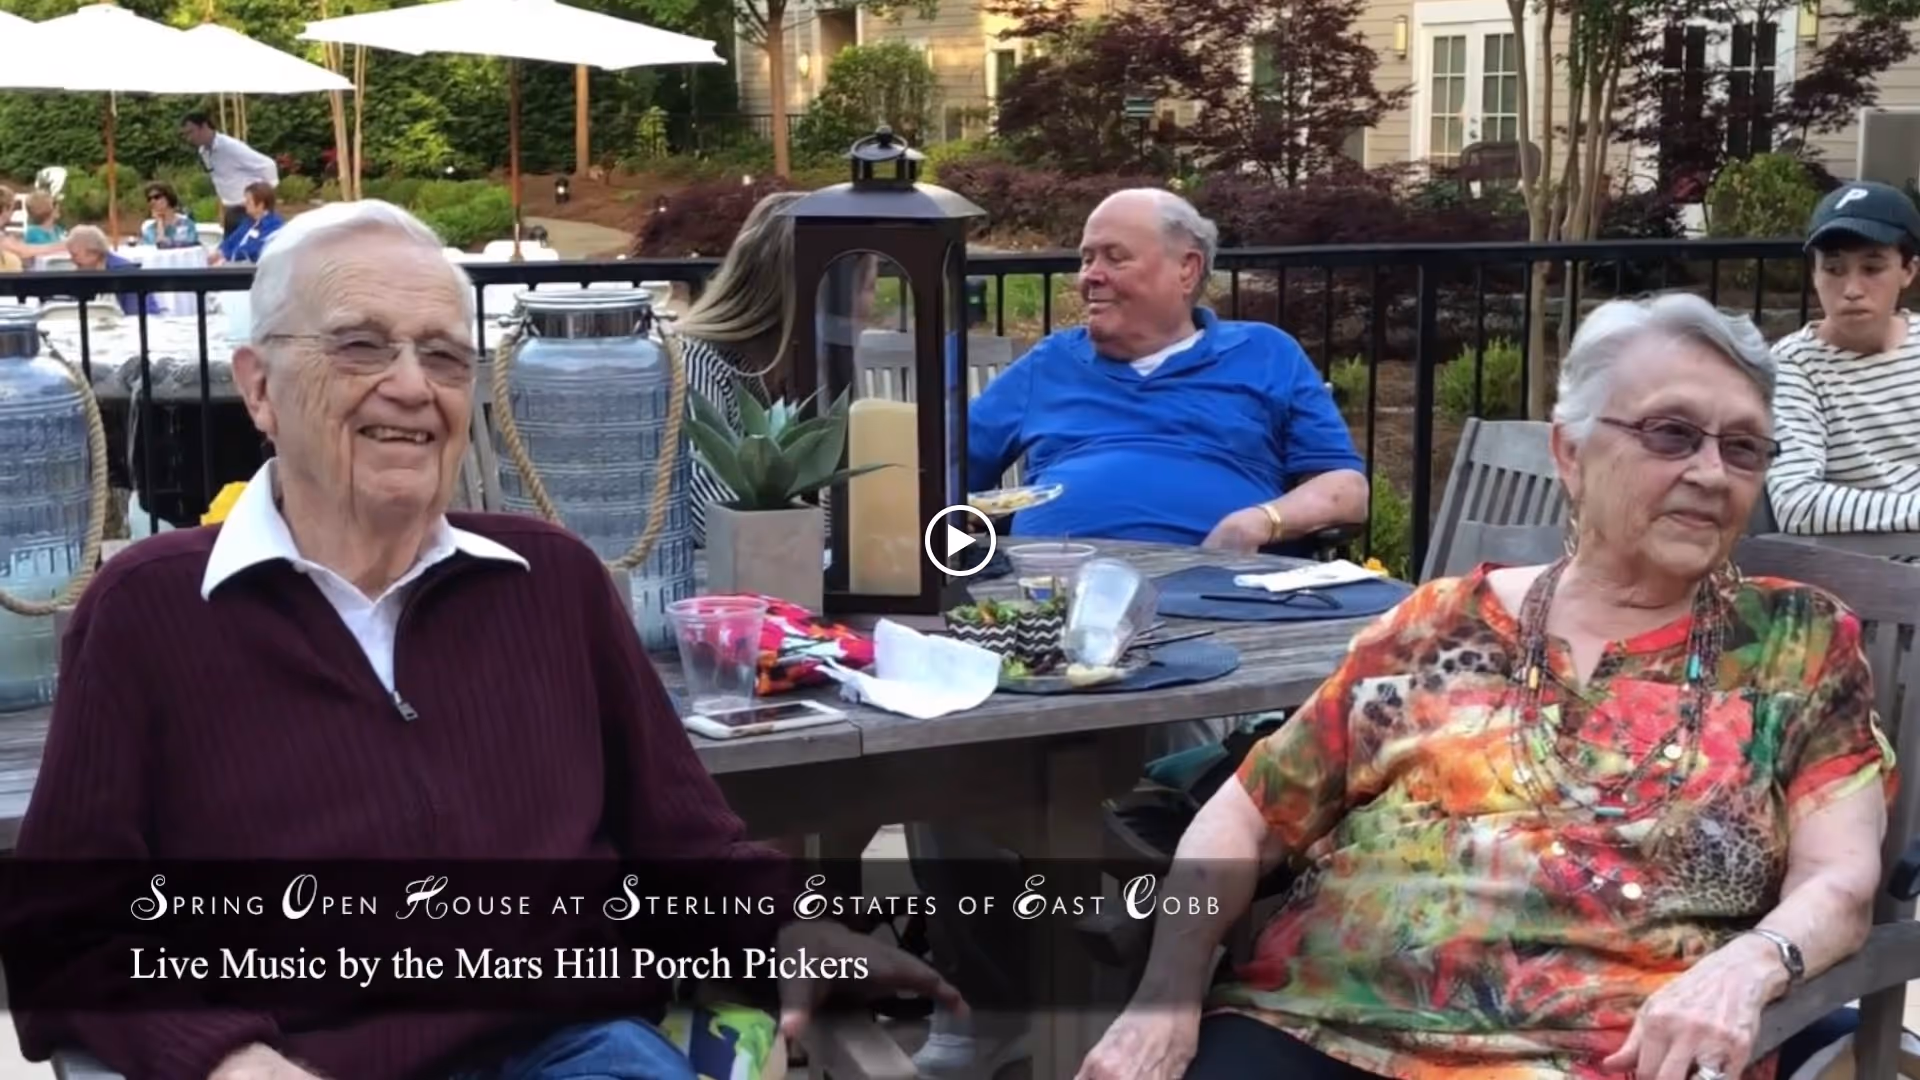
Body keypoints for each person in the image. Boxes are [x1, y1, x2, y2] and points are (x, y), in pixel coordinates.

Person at [7, 200, 961, 1080]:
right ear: (259, 388)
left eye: (445, 357)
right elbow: (66, 930)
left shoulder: (552, 584)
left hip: (573, 1051)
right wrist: (225, 1058)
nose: (411, 387)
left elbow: (684, 850)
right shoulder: (150, 610)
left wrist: (785, 930)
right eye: (360, 346)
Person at [1077, 293, 1893, 1080]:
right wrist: (1163, 1000)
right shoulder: (1434, 624)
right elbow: (1245, 818)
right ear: (1570, 454)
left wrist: (1753, 965)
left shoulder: (1798, 643)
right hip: (1315, 1024)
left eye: (1743, 447)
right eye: (1671, 433)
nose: (1711, 472)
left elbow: (1841, 880)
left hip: (1596, 1053)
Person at [967, 188, 1368, 553]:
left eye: (1115, 257)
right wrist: (958, 551)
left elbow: (1346, 490)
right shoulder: (1051, 361)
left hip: (1221, 587)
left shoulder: (1265, 352)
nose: (1090, 276)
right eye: (1087, 259)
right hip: (1052, 587)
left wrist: (1261, 521)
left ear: (1186, 269)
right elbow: (942, 473)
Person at [676, 190, 874, 545]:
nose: (870, 306)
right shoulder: (696, 364)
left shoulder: (793, 373)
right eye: (868, 286)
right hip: (706, 578)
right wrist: (866, 519)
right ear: (819, 293)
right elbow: (715, 518)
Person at [1767, 180, 1920, 535]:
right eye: (1834, 270)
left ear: (1908, 270)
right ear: (1814, 274)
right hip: (1865, 563)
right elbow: (1796, 503)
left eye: (1872, 269)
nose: (1851, 290)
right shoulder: (1794, 366)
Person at [182, 109, 279, 236]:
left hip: (248, 211)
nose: (189, 138)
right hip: (231, 211)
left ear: (204, 126)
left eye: (191, 132)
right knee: (228, 247)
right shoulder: (203, 152)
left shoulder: (230, 147)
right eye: (186, 134)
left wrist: (263, 200)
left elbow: (268, 166)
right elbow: (219, 181)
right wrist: (222, 211)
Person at [61, 225, 161, 317]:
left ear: (93, 253)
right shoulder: (87, 274)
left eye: (74, 255)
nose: (72, 260)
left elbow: (138, 316)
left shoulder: (125, 275)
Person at [208, 180, 283, 265]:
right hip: (235, 265)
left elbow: (253, 251)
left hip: (251, 269)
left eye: (248, 201)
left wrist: (226, 258)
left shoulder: (273, 225)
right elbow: (231, 240)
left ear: (260, 205)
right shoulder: (249, 221)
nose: (244, 204)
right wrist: (219, 252)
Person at [139, 181, 199, 249]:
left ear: (168, 198)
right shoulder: (150, 230)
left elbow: (190, 245)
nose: (152, 201)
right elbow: (155, 249)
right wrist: (160, 223)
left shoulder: (186, 224)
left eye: (157, 197)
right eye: (149, 199)